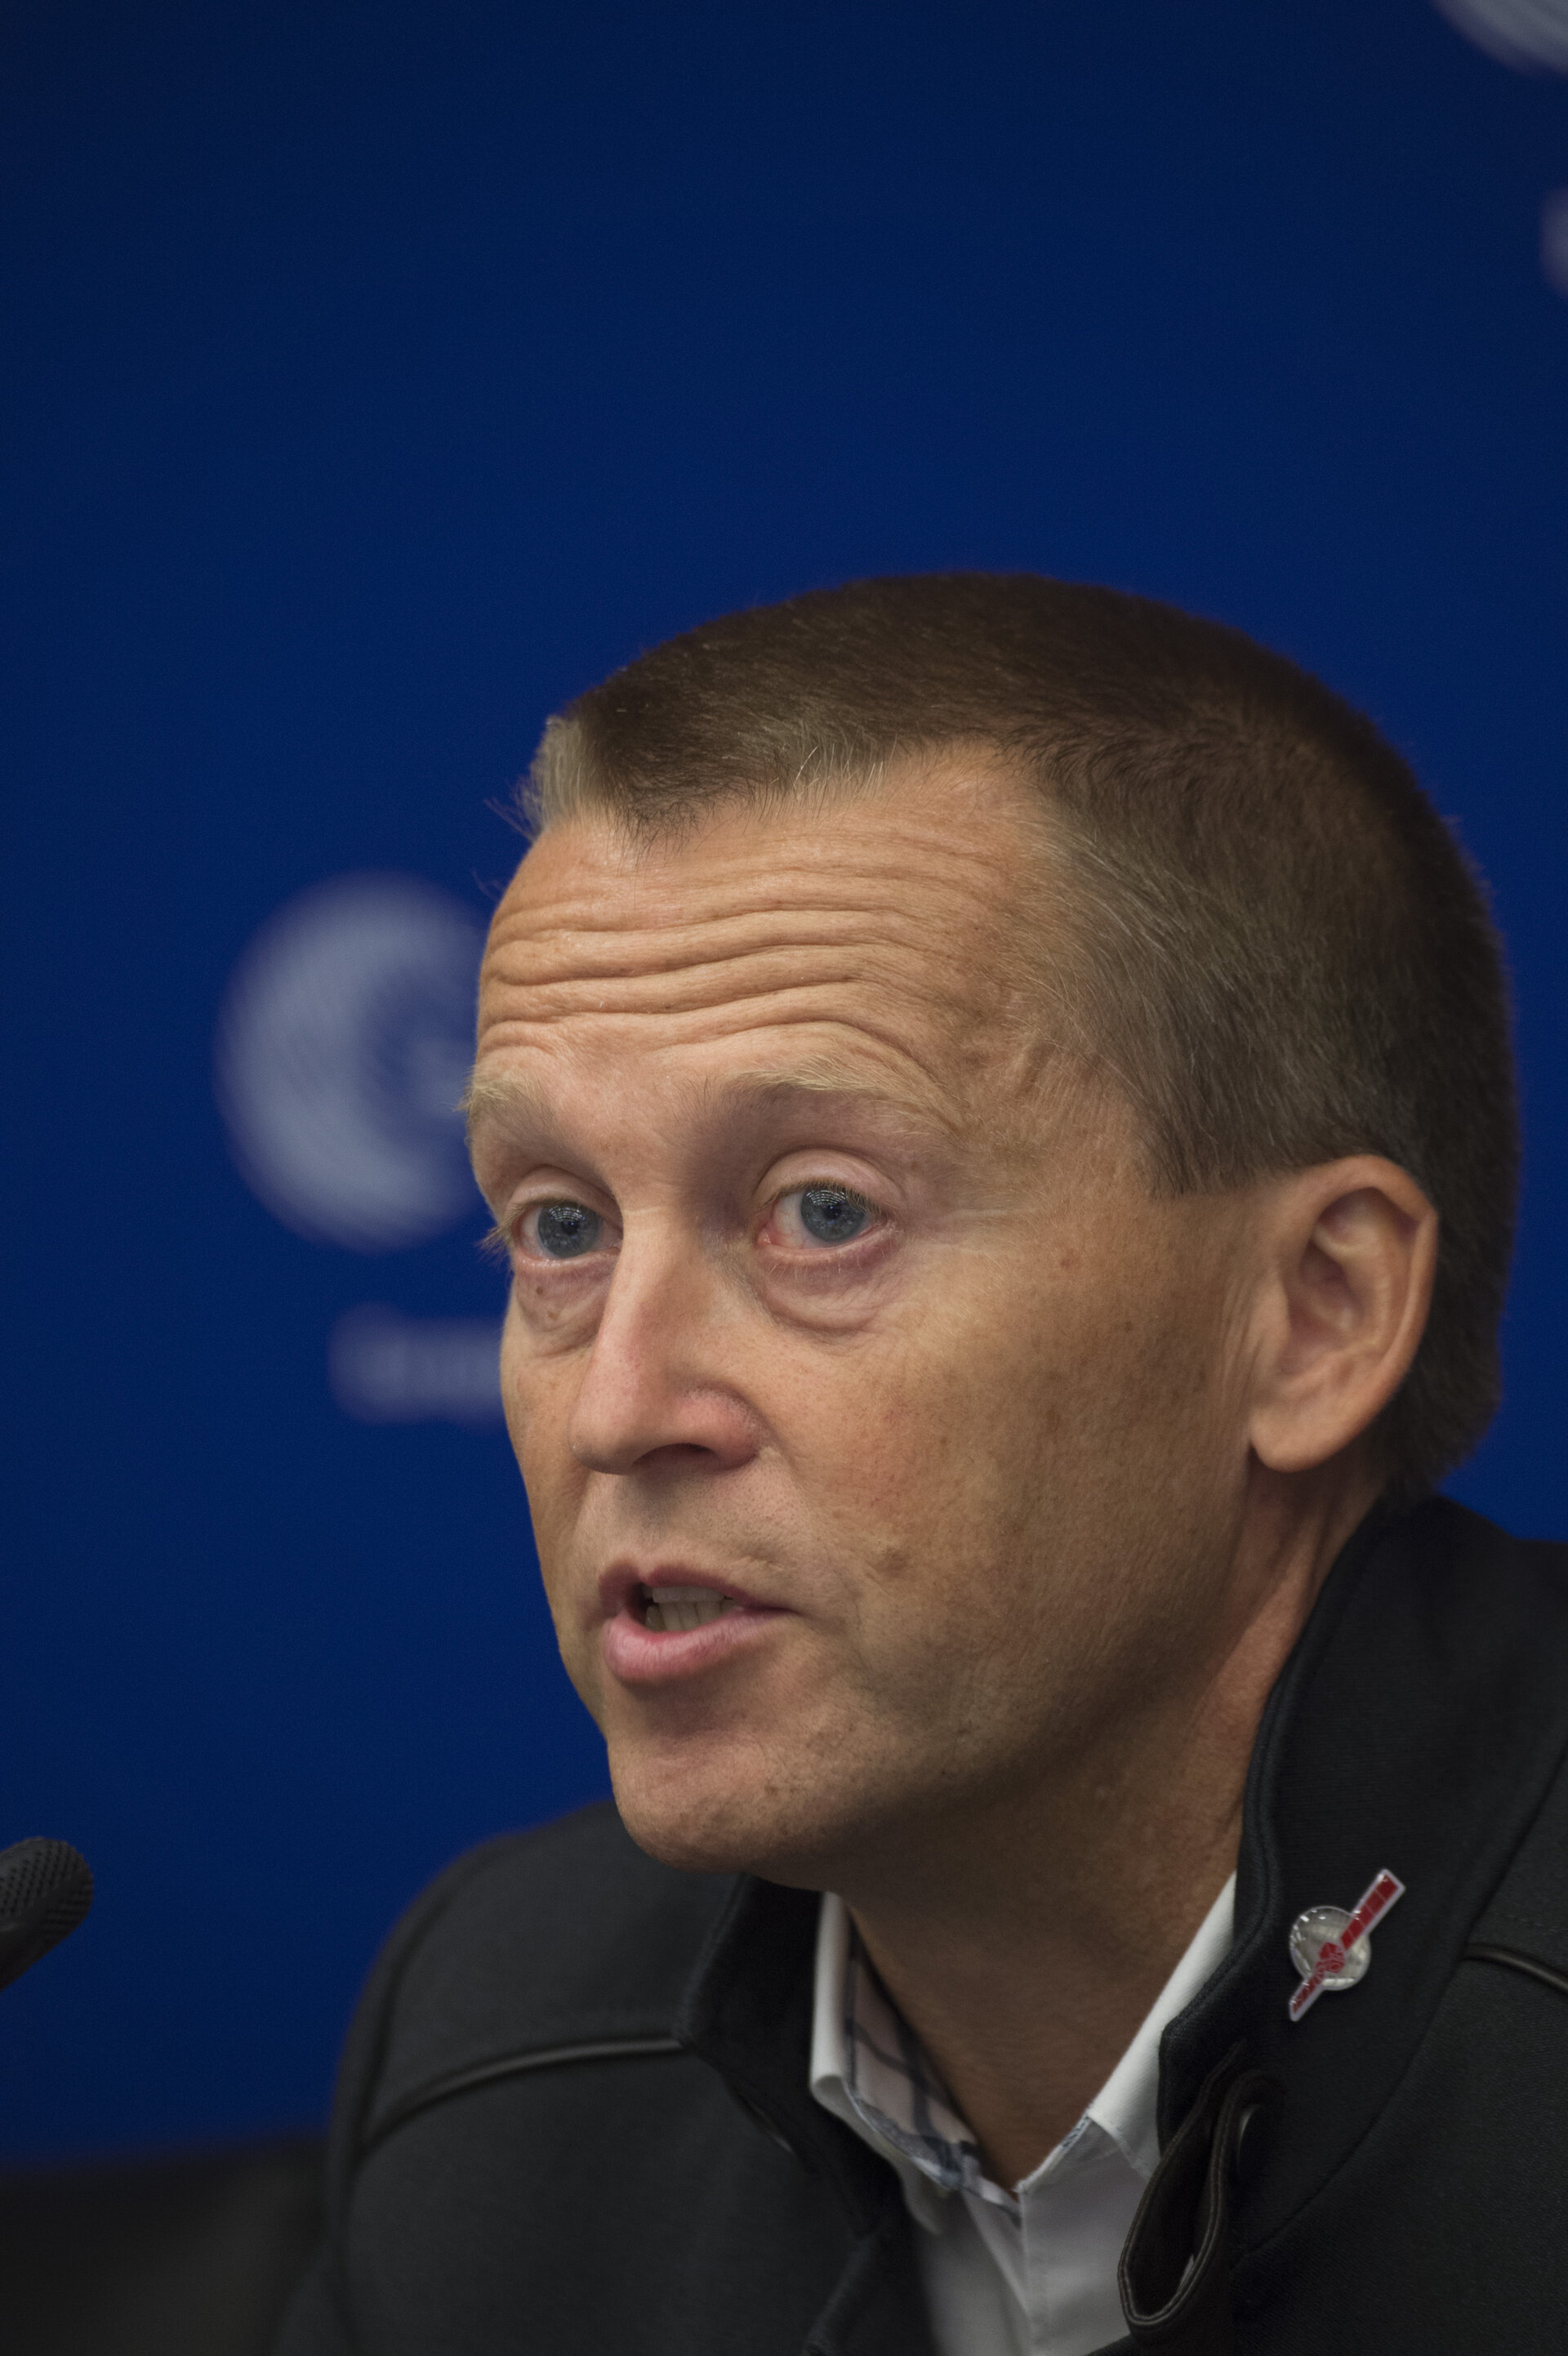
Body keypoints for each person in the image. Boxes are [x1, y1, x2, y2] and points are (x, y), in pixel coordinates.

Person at [277, 575, 1568, 2356]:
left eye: (823, 1212)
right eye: (559, 1224)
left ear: (1315, 1313)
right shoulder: (503, 2042)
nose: (617, 1407)